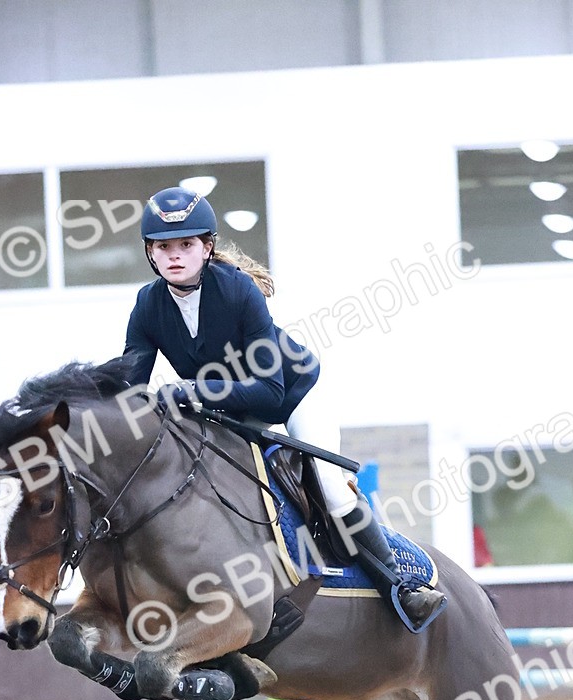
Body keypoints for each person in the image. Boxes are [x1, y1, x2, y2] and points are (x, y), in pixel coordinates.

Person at [122, 186, 445, 629]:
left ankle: (401, 585)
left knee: (330, 487)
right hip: (231, 411)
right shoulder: (148, 303)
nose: (174, 255)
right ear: (150, 253)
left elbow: (269, 392)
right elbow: (130, 384)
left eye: (186, 244)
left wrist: (192, 390)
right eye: (163, 247)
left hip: (292, 395)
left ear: (207, 247)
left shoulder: (237, 291)